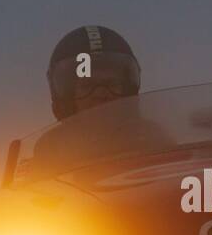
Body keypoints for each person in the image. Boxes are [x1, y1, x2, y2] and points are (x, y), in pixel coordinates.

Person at [32, 25, 173, 170]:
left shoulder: (150, 136)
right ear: (68, 98)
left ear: (127, 91)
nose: (101, 94)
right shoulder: (52, 147)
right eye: (88, 86)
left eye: (111, 84)